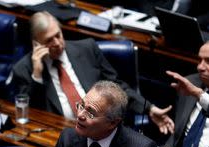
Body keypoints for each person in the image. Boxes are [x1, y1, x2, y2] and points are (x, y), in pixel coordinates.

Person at [10, 11, 174, 135]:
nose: (58, 43)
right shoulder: (24, 69)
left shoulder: (87, 48)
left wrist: (149, 108)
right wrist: (37, 74)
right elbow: (30, 114)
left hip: (103, 130)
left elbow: (116, 87)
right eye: (49, 41)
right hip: (61, 135)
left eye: (58, 35)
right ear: (36, 44)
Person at [164, 41, 209, 147]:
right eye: (199, 60)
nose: (200, 67)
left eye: (208, 61)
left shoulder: (193, 90)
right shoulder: (190, 83)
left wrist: (198, 94)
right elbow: (179, 132)